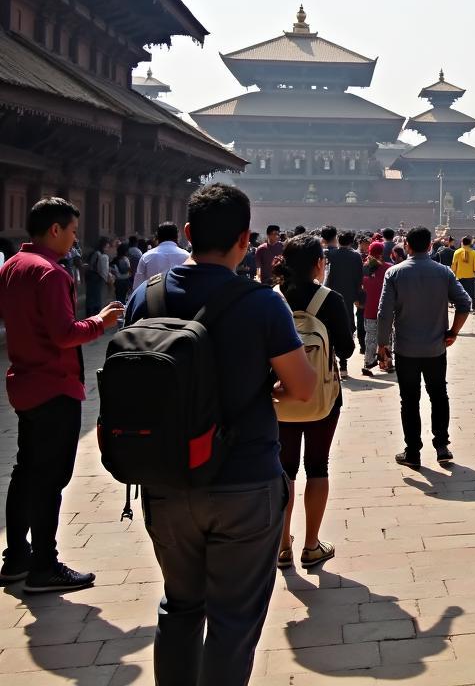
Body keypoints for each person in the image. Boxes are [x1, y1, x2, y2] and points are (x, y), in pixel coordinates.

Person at [123, 183, 316, 686]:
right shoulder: (262, 304)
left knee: (180, 605)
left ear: (187, 234)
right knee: (232, 618)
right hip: (245, 481)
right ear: (245, 239)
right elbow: (302, 389)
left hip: (166, 480)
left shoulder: (147, 297)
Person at [0, 198, 124, 592]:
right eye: (71, 232)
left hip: (24, 382)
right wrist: (99, 322)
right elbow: (64, 333)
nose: (73, 240)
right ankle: (44, 566)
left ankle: (15, 557)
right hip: (54, 385)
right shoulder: (50, 273)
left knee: (25, 471)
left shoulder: (11, 267)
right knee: (50, 479)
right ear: (54, 229)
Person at [275, 233, 352, 571]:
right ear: (319, 264)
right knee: (317, 466)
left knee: (284, 469)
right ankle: (311, 545)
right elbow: (348, 349)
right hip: (322, 395)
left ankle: (282, 546)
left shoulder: (272, 299)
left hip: (278, 397)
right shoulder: (329, 299)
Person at [377, 226, 472, 469]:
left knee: (409, 400)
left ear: (406, 246)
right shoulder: (443, 272)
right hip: (435, 348)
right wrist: (453, 332)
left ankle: (413, 452)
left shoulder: (395, 273)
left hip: (406, 348)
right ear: (430, 246)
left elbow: (384, 313)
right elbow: (464, 303)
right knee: (439, 395)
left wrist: (382, 344)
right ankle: (442, 446)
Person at [324, 231, 362, 378]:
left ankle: (332, 363)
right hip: (348, 296)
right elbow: (359, 279)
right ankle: (343, 362)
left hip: (331, 295)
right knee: (346, 327)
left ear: (338, 241)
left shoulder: (330, 255)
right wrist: (358, 297)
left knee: (331, 327)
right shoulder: (356, 256)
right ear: (352, 242)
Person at [360, 242, 392, 374]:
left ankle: (368, 362)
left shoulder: (365, 268)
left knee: (371, 337)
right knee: (387, 336)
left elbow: (362, 287)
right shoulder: (389, 268)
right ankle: (386, 363)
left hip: (370, 308)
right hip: (386, 309)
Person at [132, 221, 189, 292]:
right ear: (177, 237)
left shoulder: (146, 257)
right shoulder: (187, 256)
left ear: (157, 237)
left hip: (152, 300)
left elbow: (137, 287)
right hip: (180, 300)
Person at [83, 237, 112, 316]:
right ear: (104, 245)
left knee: (91, 297)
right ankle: (94, 315)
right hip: (96, 278)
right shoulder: (101, 255)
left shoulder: (94, 253)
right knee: (96, 298)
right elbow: (102, 270)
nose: (108, 246)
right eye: (107, 244)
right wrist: (107, 280)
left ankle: (90, 315)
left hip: (91, 277)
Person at [451, 236, 475, 313]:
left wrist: (453, 273)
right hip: (471, 276)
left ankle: (460, 306)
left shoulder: (457, 252)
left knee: (460, 292)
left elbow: (454, 265)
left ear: (462, 242)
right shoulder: (474, 253)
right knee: (471, 292)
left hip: (459, 275)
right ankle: (474, 308)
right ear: (470, 243)